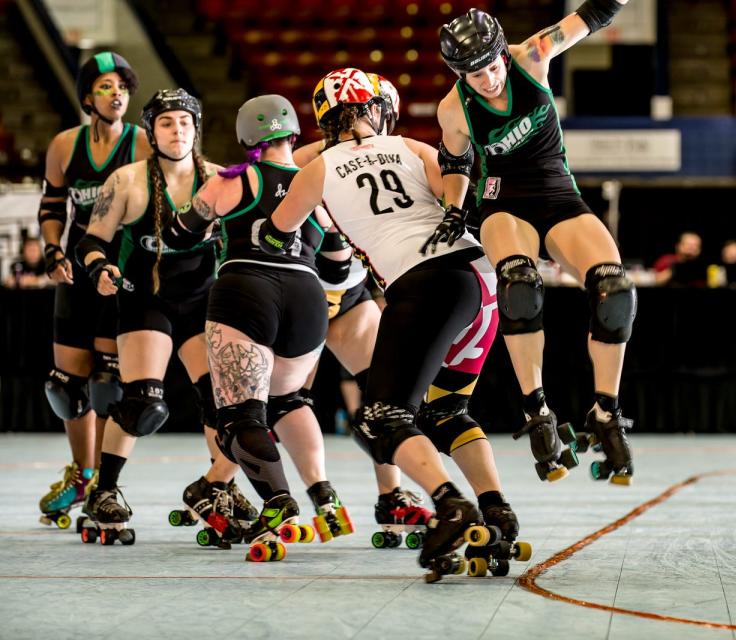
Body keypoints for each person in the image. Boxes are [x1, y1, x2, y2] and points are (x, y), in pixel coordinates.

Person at [259, 67, 528, 579]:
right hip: (479, 279)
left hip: (426, 285)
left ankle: (451, 504)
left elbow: (278, 230)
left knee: (380, 416)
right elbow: (460, 196)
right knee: (446, 410)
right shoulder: (411, 145)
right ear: (380, 110)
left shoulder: (317, 167)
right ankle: (496, 510)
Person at [434, 5, 636, 485]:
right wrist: (453, 208)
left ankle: (605, 411)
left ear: (503, 53)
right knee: (519, 286)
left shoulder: (532, 55)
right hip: (503, 198)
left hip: (557, 191)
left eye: (489, 67)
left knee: (615, 290)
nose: (485, 81)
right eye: (472, 74)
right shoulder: (453, 108)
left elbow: (594, 15)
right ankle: (537, 410)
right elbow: (455, 161)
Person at [166, 94, 358, 555]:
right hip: (308, 301)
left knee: (240, 416)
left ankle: (277, 498)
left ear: (247, 138)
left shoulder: (234, 180)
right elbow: (339, 269)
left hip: (245, 291)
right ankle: (319, 493)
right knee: (287, 400)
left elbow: (177, 234)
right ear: (293, 133)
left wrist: (208, 223)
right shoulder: (319, 187)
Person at [75, 89, 250, 545]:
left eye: (185, 123)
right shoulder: (128, 181)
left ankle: (220, 487)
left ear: (197, 129)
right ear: (152, 131)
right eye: (168, 123)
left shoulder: (221, 179)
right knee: (144, 402)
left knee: (221, 402)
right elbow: (91, 241)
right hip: (144, 299)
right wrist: (99, 268)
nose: (178, 131)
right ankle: (105, 490)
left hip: (200, 302)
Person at [292, 76, 433, 538]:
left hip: (347, 291)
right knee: (275, 402)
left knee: (385, 398)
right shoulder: (310, 162)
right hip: (303, 293)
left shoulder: (384, 155)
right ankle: (248, 488)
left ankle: (392, 496)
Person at [36, 52, 149, 529]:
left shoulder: (141, 143)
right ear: (87, 97)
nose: (116, 93)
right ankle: (81, 474)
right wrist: (51, 253)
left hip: (118, 276)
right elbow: (52, 207)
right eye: (105, 86)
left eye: (122, 85)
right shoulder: (65, 145)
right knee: (66, 387)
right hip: (77, 277)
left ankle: (104, 482)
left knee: (108, 385)